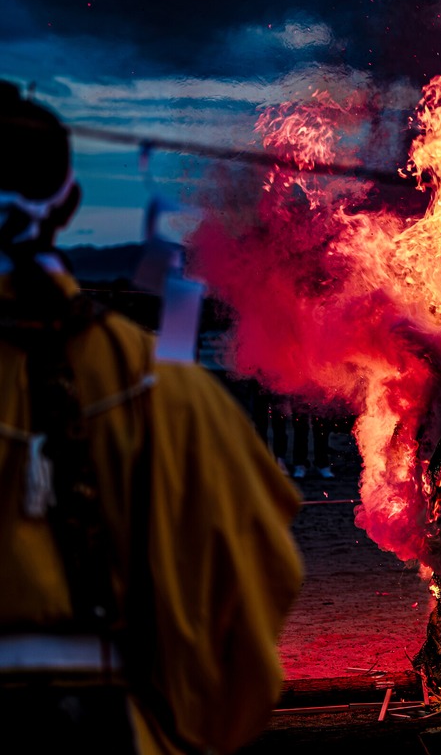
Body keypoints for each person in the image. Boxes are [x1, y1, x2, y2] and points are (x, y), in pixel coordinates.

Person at [0, 82, 303, 752]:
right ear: (69, 203)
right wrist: (189, 727)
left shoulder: (167, 391)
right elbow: (255, 588)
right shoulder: (170, 397)